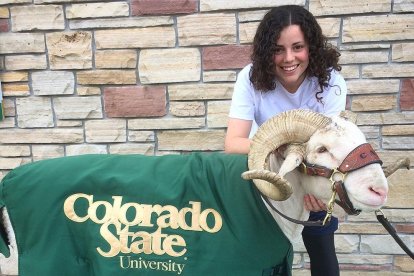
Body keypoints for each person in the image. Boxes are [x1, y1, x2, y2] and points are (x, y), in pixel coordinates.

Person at [224, 5, 346, 276]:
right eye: (278, 49)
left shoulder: (331, 82)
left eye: (297, 47)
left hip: (312, 173)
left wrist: (317, 186)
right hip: (268, 176)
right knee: (261, 250)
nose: (288, 58)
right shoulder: (250, 78)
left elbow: (333, 147)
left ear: (311, 47)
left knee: (321, 242)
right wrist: (282, 147)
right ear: (267, 52)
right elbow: (233, 143)